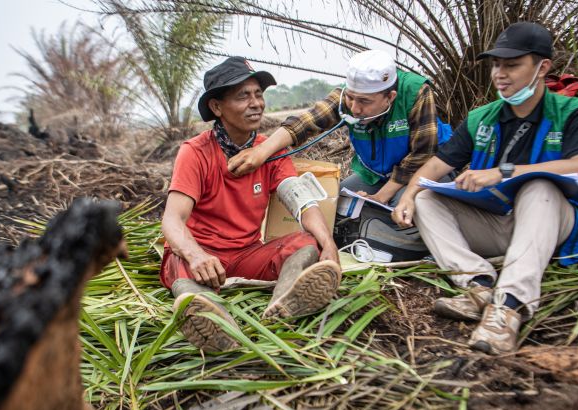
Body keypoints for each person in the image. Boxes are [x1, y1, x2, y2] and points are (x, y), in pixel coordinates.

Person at [391, 22, 578, 354]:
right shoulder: (481, 118)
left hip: (556, 225)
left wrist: (503, 172)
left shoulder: (573, 113)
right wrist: (408, 195)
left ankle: (508, 307)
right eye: (496, 65)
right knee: (428, 199)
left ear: (543, 67)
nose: (500, 73)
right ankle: (477, 285)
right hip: (500, 225)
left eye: (512, 65)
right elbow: (437, 166)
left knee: (540, 187)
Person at [161, 56, 341, 353]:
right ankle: (215, 324)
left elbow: (302, 203)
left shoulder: (270, 150)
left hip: (246, 254)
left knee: (307, 243)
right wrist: (196, 256)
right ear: (217, 107)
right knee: (180, 263)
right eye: (243, 96)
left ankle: (281, 307)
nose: (256, 103)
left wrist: (328, 243)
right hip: (203, 256)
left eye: (259, 94)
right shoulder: (195, 152)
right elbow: (172, 220)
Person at [228, 49, 451, 210]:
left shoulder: (416, 93)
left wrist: (382, 196)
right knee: (333, 203)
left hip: (423, 171)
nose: (354, 108)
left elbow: (423, 154)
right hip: (375, 174)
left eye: (364, 102)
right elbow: (306, 122)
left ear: (389, 97)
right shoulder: (347, 96)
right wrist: (261, 151)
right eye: (351, 98)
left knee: (408, 206)